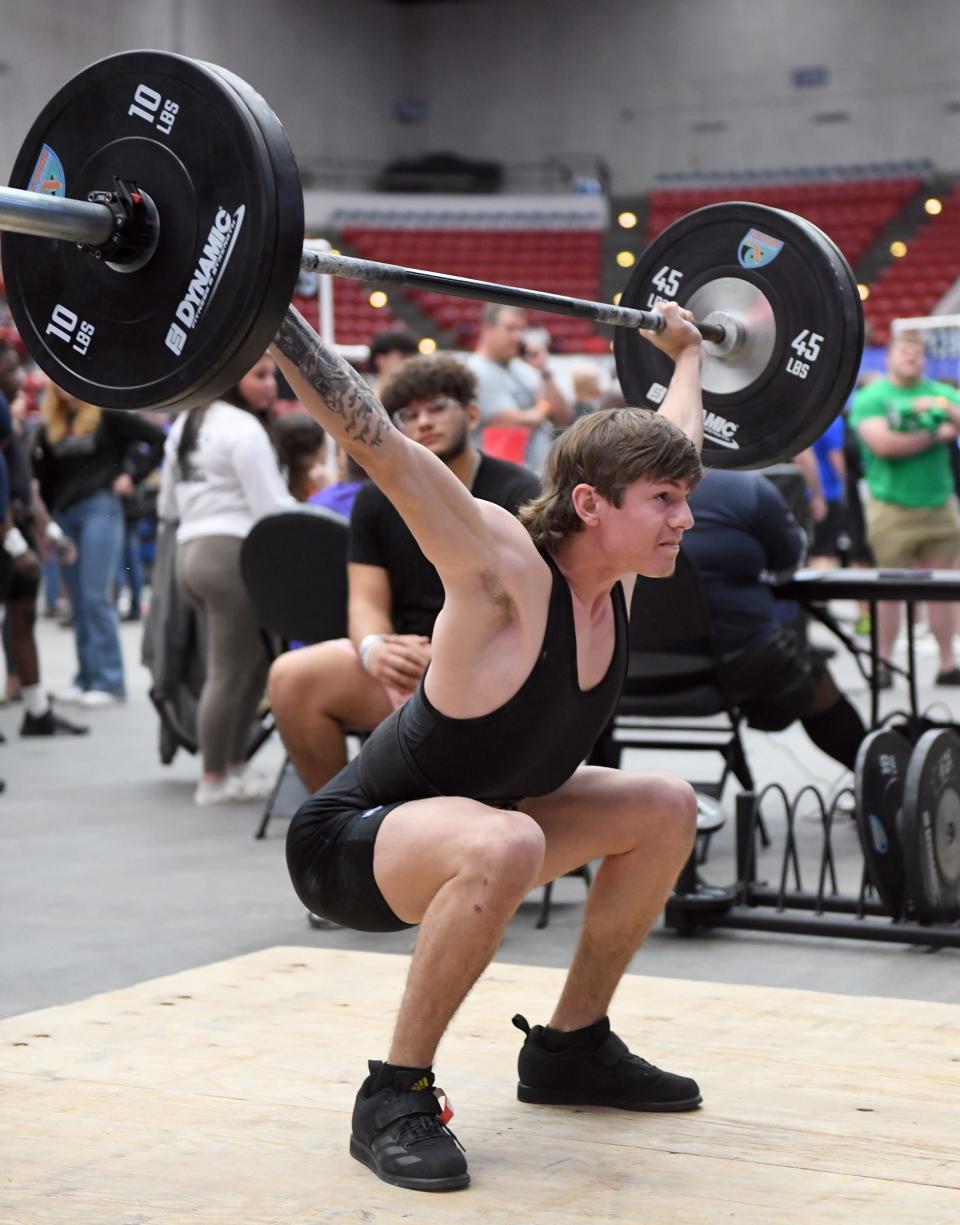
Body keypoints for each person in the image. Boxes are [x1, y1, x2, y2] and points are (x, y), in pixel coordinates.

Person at [271, 301, 703, 1194]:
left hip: (488, 820)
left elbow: (675, 433)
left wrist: (692, 351)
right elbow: (380, 444)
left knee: (664, 805)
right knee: (508, 840)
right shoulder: (501, 566)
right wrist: (271, 316)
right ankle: (393, 1092)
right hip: (353, 842)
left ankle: (571, 1049)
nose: (683, 519)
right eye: (664, 501)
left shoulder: (616, 580)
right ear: (591, 503)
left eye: (683, 498)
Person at [268, 352, 540, 794]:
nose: (424, 422)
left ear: (472, 413)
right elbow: (365, 599)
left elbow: (531, 612)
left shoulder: (519, 491)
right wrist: (376, 648)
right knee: (291, 677)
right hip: (410, 665)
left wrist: (457, 654)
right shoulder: (375, 500)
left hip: (495, 668)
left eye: (437, 407)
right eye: (408, 414)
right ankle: (337, 831)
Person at [158, 354, 298, 806]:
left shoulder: (185, 425)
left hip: (189, 554)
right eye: (259, 375)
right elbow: (271, 510)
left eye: (272, 375)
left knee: (247, 667)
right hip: (231, 556)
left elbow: (167, 507)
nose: (271, 384)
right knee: (230, 671)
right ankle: (213, 776)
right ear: (231, 379)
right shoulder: (243, 429)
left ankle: (233, 765)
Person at [683, 469, 866, 771]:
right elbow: (788, 558)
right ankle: (874, 781)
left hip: (630, 671)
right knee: (813, 677)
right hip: (738, 662)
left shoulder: (615, 485)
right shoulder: (743, 488)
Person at [31, 383, 165, 707]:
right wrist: (47, 527)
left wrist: (133, 474)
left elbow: (157, 438)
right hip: (64, 515)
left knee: (95, 595)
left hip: (100, 507)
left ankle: (109, 680)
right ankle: (86, 676)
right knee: (76, 599)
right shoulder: (50, 425)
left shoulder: (107, 414)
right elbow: (45, 479)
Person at [851, 332, 960, 686]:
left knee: (942, 588)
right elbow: (884, 444)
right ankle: (883, 663)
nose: (912, 357)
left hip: (939, 503)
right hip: (891, 506)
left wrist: (942, 410)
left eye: (918, 352)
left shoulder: (939, 394)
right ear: (890, 357)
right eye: (905, 351)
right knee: (890, 589)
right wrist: (937, 433)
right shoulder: (873, 397)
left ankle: (947, 663)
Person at [467, 304, 572, 473]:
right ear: (487, 329)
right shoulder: (477, 370)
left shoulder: (524, 368)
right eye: (510, 328)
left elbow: (563, 417)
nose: (518, 337)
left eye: (521, 329)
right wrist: (543, 407)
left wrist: (544, 370)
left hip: (538, 475)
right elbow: (515, 422)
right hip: (505, 480)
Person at [367, 330, 419, 395]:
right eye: (403, 357)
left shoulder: (417, 394)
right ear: (381, 360)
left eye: (412, 357)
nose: (410, 362)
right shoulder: (363, 396)